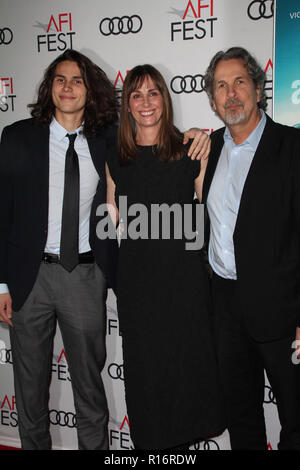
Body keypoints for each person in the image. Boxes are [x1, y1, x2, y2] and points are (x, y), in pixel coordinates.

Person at [0, 49, 210, 450]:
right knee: (28, 392)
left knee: (90, 392)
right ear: (49, 87)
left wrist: (196, 134)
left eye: (77, 80)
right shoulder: (17, 136)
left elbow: (153, 135)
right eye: (60, 79)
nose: (68, 87)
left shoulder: (107, 140)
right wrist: (0, 283)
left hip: (84, 276)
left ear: (90, 90)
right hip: (29, 280)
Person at [106, 64, 225, 451]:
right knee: (146, 382)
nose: (145, 102)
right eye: (136, 95)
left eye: (153, 92)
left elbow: (214, 213)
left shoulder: (192, 150)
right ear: (127, 105)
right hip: (138, 289)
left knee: (185, 379)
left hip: (185, 286)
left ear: (164, 99)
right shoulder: (115, 157)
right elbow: (111, 225)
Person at [201, 46, 300, 450]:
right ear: (211, 100)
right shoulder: (207, 149)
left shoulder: (293, 147)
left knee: (296, 417)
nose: (231, 94)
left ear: (258, 89)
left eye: (239, 82)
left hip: (284, 310)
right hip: (224, 305)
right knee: (241, 415)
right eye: (221, 86)